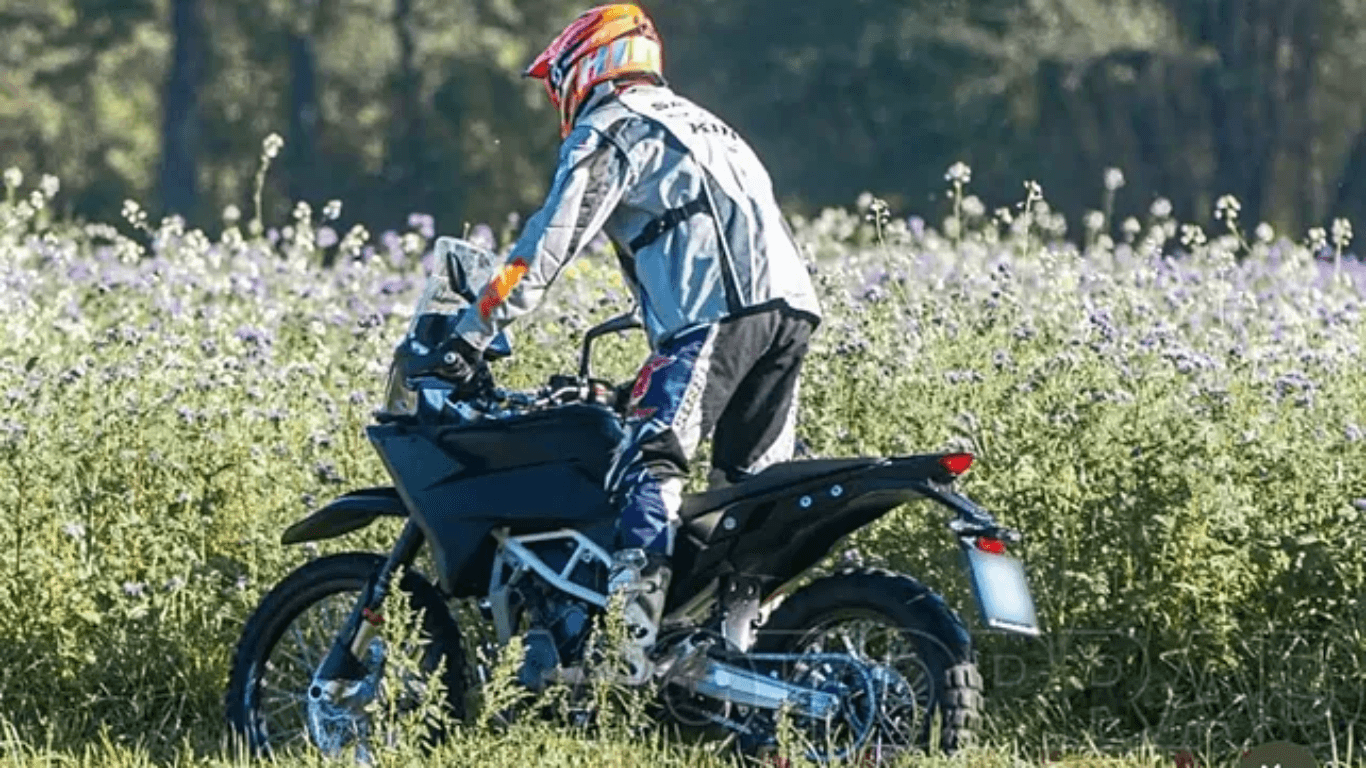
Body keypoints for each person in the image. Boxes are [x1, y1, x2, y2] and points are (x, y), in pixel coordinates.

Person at [437, 3, 822, 681]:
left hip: (717, 315)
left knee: (649, 461)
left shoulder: (614, 125)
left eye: (558, 83)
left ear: (585, 65)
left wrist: (472, 331)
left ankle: (628, 645)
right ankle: (740, 663)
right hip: (792, 313)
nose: (559, 99)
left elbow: (545, 248)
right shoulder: (709, 125)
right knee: (746, 499)